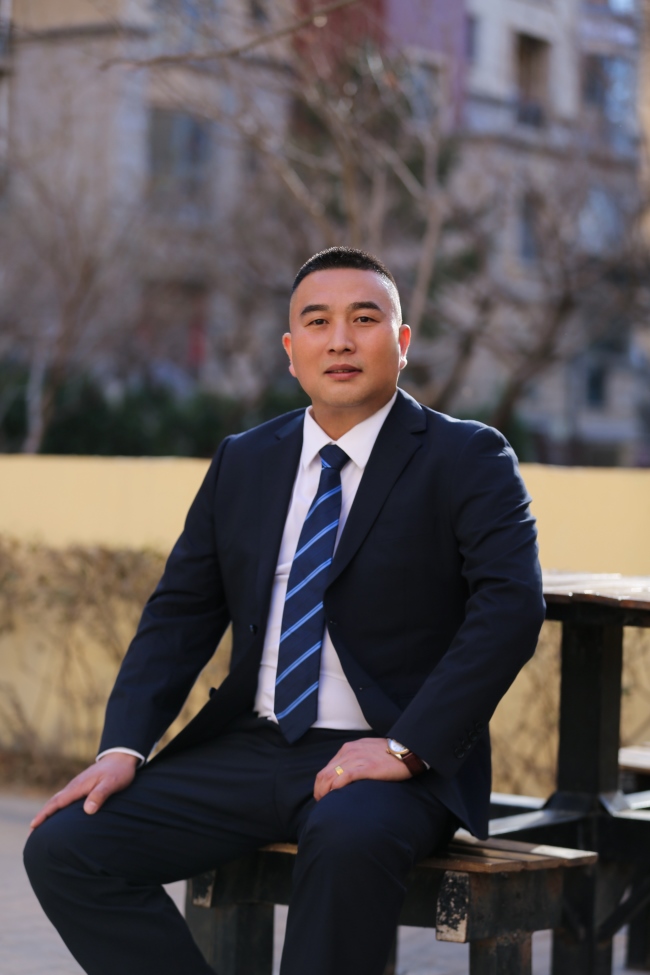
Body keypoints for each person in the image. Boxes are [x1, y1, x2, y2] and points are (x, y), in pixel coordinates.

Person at [24, 247, 545, 975]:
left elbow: (510, 608)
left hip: (389, 758)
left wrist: (405, 747)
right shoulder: (245, 459)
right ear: (290, 350)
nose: (340, 340)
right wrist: (122, 748)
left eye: (364, 319)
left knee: (347, 841)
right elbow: (179, 614)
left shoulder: (468, 457)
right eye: (318, 322)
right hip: (251, 747)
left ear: (401, 343)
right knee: (64, 847)